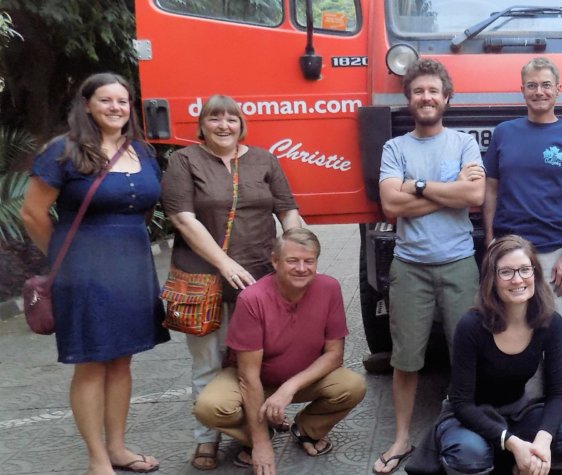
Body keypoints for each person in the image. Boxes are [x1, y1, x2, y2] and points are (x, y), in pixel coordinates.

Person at [20, 72, 170, 474]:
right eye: (106, 100)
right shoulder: (63, 151)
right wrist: (63, 258)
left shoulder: (140, 150)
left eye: (123, 101)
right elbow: (32, 213)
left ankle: (118, 448)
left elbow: (143, 207)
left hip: (133, 267)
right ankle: (97, 459)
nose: (116, 108)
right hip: (83, 270)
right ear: (87, 105)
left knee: (122, 362)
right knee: (91, 362)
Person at [161, 94, 302, 471]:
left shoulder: (264, 159)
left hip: (258, 279)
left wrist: (300, 257)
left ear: (242, 124)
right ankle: (206, 438)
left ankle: (250, 430)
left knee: (253, 363)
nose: (224, 125)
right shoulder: (184, 160)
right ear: (201, 124)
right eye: (215, 118)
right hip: (203, 279)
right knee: (207, 363)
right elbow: (183, 218)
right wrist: (223, 263)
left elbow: (287, 211)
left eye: (231, 119)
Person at [373, 59, 485, 475]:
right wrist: (447, 191)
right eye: (418, 91)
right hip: (410, 267)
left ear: (446, 98)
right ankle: (401, 438)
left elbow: (474, 196)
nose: (426, 97)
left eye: (433, 91)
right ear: (409, 99)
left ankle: (464, 428)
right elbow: (389, 205)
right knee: (405, 360)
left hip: (458, 264)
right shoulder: (395, 148)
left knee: (466, 355)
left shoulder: (462, 143)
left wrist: (416, 186)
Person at [483, 56, 562, 418]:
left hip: (554, 256)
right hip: (510, 257)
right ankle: (524, 418)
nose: (539, 91)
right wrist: (490, 240)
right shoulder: (504, 133)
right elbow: (490, 189)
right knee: (514, 340)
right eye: (532, 85)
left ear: (558, 90)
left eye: (546, 85)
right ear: (522, 91)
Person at [193, 228, 366, 474]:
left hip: (301, 379)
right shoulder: (252, 299)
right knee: (209, 407)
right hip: (255, 381)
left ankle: (306, 429)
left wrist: (288, 388)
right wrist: (261, 444)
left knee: (352, 386)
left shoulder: (329, 288)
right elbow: (248, 376)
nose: (302, 268)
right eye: (292, 261)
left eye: (309, 261)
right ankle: (258, 433)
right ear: (275, 261)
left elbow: (334, 355)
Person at [435, 235, 562, 475]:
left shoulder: (550, 322)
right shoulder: (471, 325)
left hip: (517, 412)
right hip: (469, 416)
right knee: (471, 455)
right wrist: (512, 442)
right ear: (492, 280)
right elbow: (461, 402)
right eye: (506, 272)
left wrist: (542, 441)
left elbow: (557, 394)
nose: (517, 279)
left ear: (535, 274)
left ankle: (522, 467)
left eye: (525, 270)